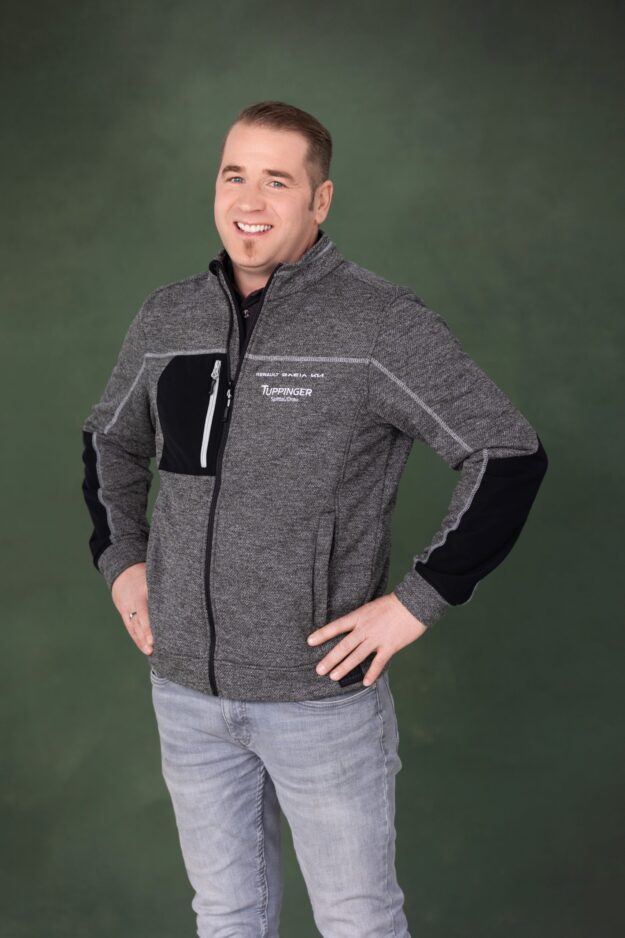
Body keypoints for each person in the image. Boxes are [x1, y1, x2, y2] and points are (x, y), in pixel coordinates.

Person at [81, 100, 548, 937]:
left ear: (319, 199)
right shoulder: (167, 317)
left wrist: (416, 603)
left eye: (277, 181)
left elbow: (506, 454)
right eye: (234, 175)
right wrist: (123, 562)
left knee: (357, 923)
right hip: (185, 695)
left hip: (317, 699)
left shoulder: (379, 324)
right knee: (226, 917)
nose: (249, 200)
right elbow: (109, 442)